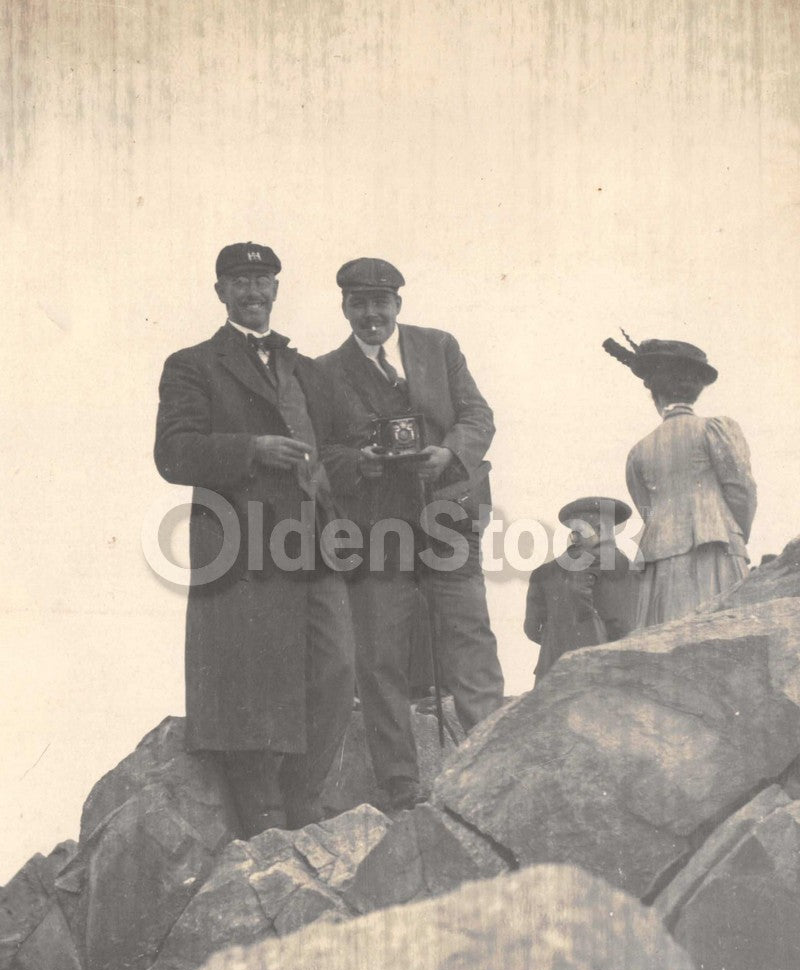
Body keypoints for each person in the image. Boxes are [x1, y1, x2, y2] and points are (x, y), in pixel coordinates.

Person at [154, 242, 354, 836]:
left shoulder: (306, 370)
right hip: (241, 545)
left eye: (262, 280)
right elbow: (173, 453)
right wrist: (252, 449)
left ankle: (304, 795)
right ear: (220, 292)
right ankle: (264, 812)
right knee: (252, 678)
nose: (252, 291)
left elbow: (338, 447)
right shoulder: (193, 364)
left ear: (276, 289)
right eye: (239, 281)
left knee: (336, 667)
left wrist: (346, 470)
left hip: (313, 540)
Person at [315, 257, 504, 809]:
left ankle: (495, 768)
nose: (370, 314)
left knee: (469, 638)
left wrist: (449, 454)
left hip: (448, 516)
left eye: (380, 302)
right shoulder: (324, 372)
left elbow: (478, 416)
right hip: (375, 530)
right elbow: (321, 450)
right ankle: (400, 787)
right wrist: (360, 462)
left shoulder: (439, 347)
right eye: (358, 304)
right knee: (380, 658)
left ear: (398, 303)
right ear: (344, 307)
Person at [603, 334, 757, 627]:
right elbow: (742, 490)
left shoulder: (638, 451)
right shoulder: (715, 429)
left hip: (659, 559)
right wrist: (733, 532)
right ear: (695, 390)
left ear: (655, 395)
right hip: (716, 550)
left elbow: (647, 508)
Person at [524, 497, 637, 680]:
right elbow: (626, 625)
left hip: (550, 673)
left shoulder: (543, 573)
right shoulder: (623, 567)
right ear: (601, 530)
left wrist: (560, 640)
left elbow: (531, 630)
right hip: (603, 672)